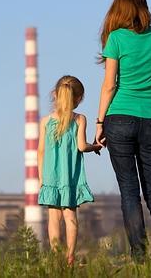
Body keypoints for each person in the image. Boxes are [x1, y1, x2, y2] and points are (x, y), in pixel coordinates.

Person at [95, 0, 151, 264]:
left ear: (118, 9)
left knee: (129, 192)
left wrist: (99, 123)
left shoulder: (116, 39)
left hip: (119, 117)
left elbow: (109, 86)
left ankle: (140, 259)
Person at [37, 75, 102, 266]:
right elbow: (82, 147)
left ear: (55, 95)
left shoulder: (46, 122)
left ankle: (57, 257)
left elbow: (40, 152)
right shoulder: (80, 119)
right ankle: (70, 257)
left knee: (53, 219)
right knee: (70, 216)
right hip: (70, 176)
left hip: (50, 176)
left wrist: (42, 178)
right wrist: (95, 146)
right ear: (78, 98)